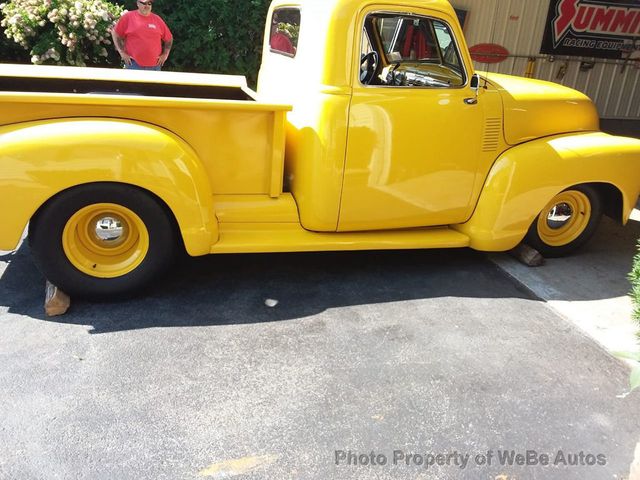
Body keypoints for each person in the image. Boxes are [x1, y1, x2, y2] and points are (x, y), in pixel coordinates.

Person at [111, 0, 172, 71]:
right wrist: (121, 52)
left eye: (149, 4)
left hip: (155, 66)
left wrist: (165, 54)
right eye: (144, 3)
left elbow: (169, 38)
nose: (147, 6)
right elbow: (115, 34)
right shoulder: (128, 17)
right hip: (133, 64)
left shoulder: (157, 19)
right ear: (137, 4)